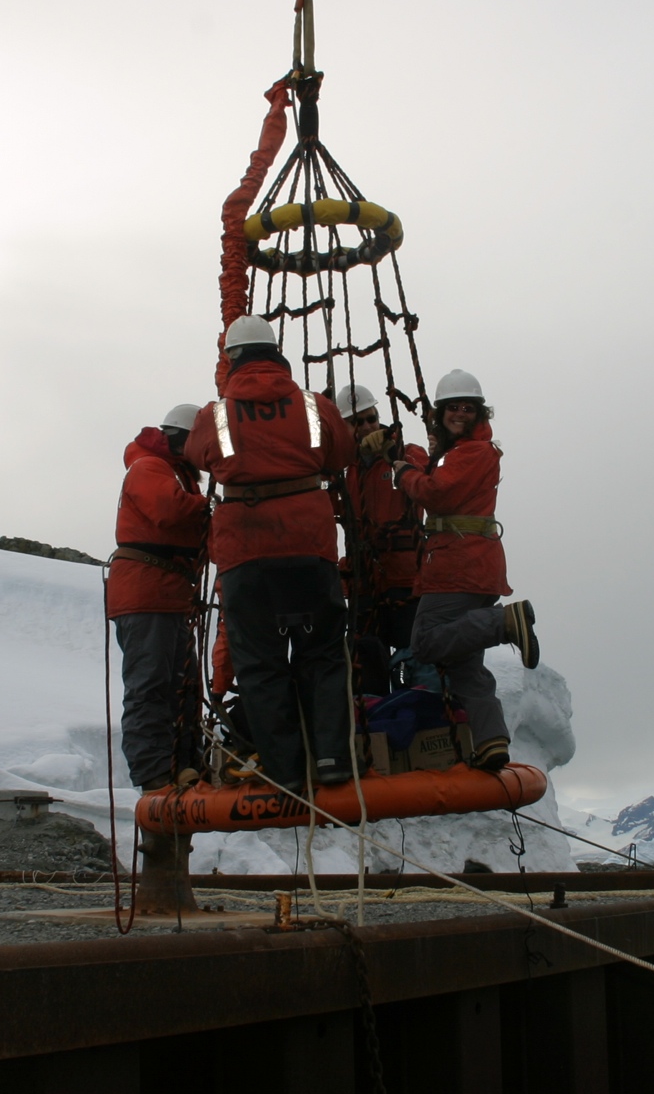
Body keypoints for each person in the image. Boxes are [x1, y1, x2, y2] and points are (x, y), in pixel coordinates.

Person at [184, 315, 355, 789]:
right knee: (322, 653)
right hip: (309, 546)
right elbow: (342, 454)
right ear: (277, 353)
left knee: (260, 662)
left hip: (246, 552)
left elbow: (196, 454)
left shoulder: (215, 415)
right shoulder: (314, 405)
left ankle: (286, 772)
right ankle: (332, 760)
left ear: (233, 359)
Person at [392, 368, 538, 772]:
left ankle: (503, 623)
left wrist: (404, 472)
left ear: (479, 413)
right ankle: (491, 741)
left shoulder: (471, 452)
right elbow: (442, 477)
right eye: (452, 408)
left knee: (426, 642)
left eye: (467, 408)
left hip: (459, 564)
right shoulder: (460, 452)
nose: (459, 414)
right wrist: (423, 455)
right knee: (463, 662)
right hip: (470, 562)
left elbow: (437, 493)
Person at [105, 403, 208, 792]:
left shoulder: (171, 473)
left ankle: (184, 767)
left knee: (181, 687)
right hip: (147, 592)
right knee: (151, 685)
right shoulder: (149, 467)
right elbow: (169, 510)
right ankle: (154, 774)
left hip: (165, 593)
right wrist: (213, 508)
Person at [333, 381, 423, 695]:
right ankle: (374, 717)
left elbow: (428, 479)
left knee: (415, 660)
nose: (367, 426)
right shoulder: (343, 471)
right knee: (367, 662)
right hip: (364, 584)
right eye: (357, 422)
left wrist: (393, 456)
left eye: (371, 418)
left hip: (405, 580)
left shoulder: (406, 453)